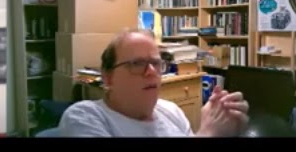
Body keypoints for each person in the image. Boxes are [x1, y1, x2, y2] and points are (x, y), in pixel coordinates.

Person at [58, 29, 249, 137]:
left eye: (156, 63)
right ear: (108, 78)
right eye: (136, 63)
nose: (151, 72)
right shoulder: (83, 116)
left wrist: (227, 128)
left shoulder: (171, 111)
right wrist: (208, 133)